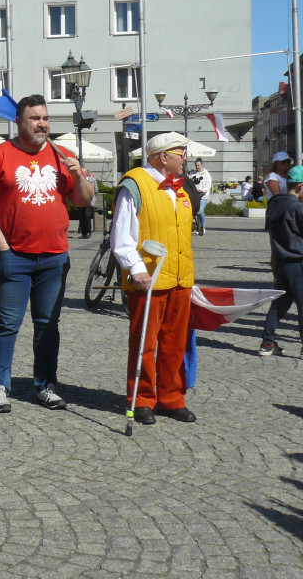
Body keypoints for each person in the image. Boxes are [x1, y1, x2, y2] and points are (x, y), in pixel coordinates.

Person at [0, 94, 94, 413]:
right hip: (15, 255)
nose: (42, 124)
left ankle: (45, 384)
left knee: (48, 323)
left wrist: (78, 174)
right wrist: (1, 245)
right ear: (19, 121)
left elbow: (84, 201)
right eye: (34, 118)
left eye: (45, 118)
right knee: (8, 323)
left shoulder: (61, 155)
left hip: (55, 256)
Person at [110, 132, 197, 424]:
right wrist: (136, 269)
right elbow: (121, 236)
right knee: (145, 342)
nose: (185, 158)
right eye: (181, 152)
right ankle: (143, 398)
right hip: (148, 279)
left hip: (180, 278)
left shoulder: (181, 190)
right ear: (164, 157)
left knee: (176, 342)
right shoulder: (134, 185)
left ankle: (172, 397)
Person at [259, 165, 303, 357]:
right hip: (298, 262)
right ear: (300, 186)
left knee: (279, 305)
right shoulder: (297, 208)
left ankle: (267, 343)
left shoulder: (274, 205)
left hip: (280, 262)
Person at [190, 158, 212, 235]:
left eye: (198, 165)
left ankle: (203, 226)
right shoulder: (192, 174)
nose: (197, 167)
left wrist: (203, 190)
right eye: (196, 165)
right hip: (195, 196)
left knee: (200, 211)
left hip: (203, 196)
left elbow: (208, 185)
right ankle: (198, 226)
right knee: (196, 212)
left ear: (201, 165)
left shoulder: (206, 174)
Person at [78, 169, 98, 239]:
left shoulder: (92, 180)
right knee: (81, 217)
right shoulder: (78, 180)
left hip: (89, 202)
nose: (82, 173)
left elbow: (96, 191)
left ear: (86, 173)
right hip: (81, 201)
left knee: (87, 216)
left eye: (83, 172)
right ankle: (83, 233)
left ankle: (89, 232)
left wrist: (93, 201)